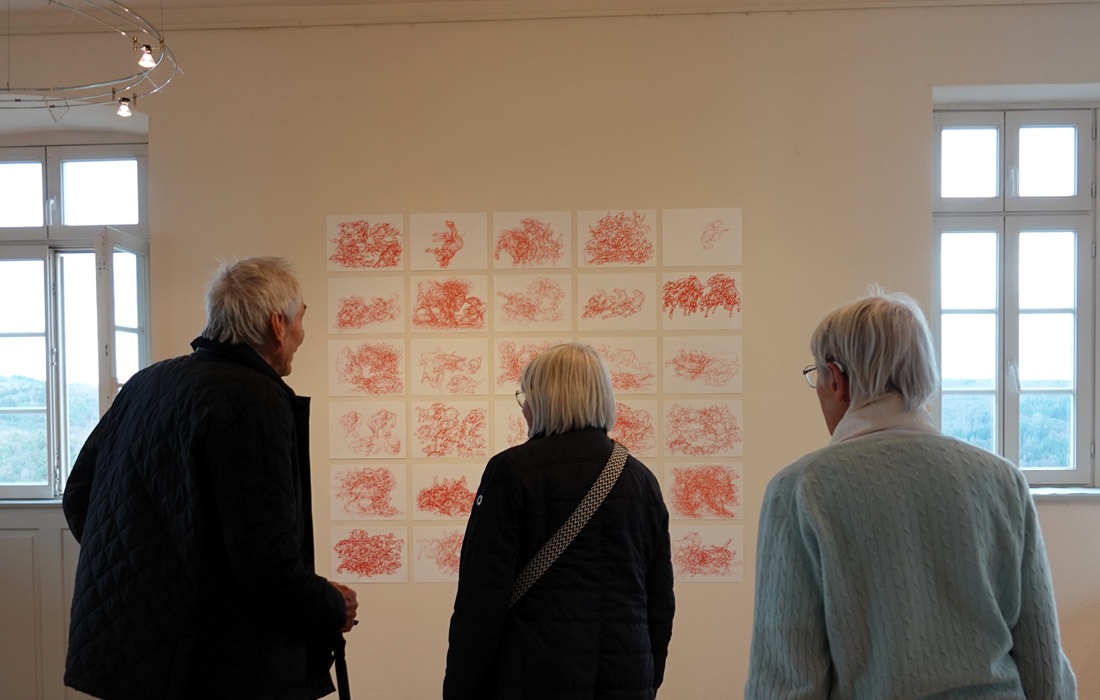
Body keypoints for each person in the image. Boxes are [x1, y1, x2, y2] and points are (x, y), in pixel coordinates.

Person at [746, 289, 1077, 699]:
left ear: (837, 379)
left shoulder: (799, 489)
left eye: (817, 377)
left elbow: (786, 681)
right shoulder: (1003, 481)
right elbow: (1044, 666)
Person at [63, 256, 359, 700]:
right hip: (214, 667)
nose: (302, 334)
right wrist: (331, 606)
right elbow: (263, 559)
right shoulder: (255, 399)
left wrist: (148, 576)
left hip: (129, 652)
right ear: (278, 325)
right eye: (301, 319)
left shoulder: (148, 383)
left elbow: (79, 496)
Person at [443, 342, 675, 700]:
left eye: (525, 397)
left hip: (534, 677)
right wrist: (646, 675)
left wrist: (461, 689)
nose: (524, 409)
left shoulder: (511, 471)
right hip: (627, 676)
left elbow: (481, 600)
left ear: (544, 399)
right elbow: (659, 600)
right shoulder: (641, 479)